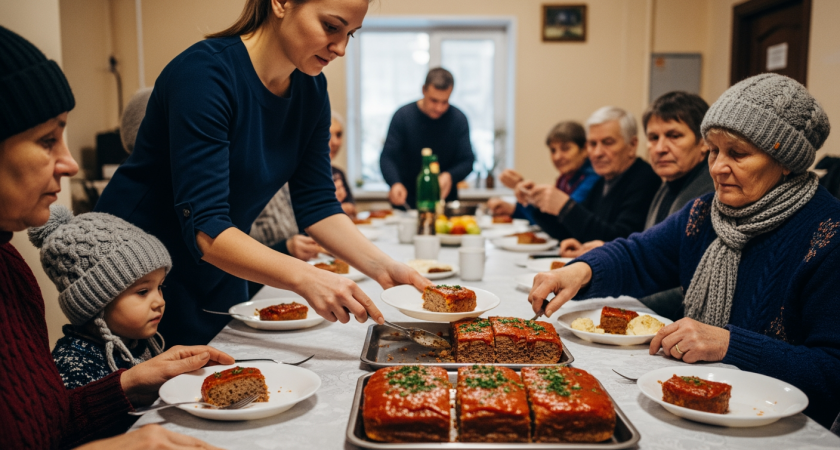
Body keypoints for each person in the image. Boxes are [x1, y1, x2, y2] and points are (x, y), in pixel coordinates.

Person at [95, 0, 429, 346]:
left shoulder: (312, 89)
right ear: (281, 3)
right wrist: (306, 277)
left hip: (222, 265)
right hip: (136, 275)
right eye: (331, 27)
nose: (341, 48)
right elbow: (206, 227)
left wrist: (383, 267)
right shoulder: (204, 73)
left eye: (351, 34)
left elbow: (318, 205)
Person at [528, 74, 839, 429]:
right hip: (700, 406)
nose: (718, 167)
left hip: (781, 427)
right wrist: (579, 270)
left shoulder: (828, 234)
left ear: (787, 161)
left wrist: (729, 343)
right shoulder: (705, 212)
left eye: (737, 153)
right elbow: (638, 255)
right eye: (714, 150)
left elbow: (832, 371)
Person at [0, 25, 228, 449]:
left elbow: (45, 423)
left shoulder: (9, 266)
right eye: (47, 140)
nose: (70, 163)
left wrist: (131, 382)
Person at [560, 92, 715, 321]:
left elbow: (695, 288)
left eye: (674, 136)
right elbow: (652, 256)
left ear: (703, 142)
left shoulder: (710, 194)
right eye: (653, 138)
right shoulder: (668, 183)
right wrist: (604, 251)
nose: (660, 148)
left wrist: (627, 306)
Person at [35, 206, 169, 389]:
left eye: (160, 287)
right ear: (96, 302)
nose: (160, 301)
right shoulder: (73, 366)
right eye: (143, 292)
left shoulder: (136, 341)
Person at [520, 107, 661, 243]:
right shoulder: (602, 181)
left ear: (632, 145)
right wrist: (536, 201)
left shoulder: (645, 179)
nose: (597, 153)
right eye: (592, 144)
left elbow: (621, 240)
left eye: (608, 143)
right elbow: (570, 232)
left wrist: (565, 207)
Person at [379, 67, 475, 209]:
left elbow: (467, 160)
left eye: (445, 102)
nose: (439, 108)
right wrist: (395, 183)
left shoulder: (459, 119)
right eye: (434, 101)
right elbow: (388, 157)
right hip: (406, 204)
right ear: (424, 90)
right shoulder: (403, 116)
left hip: (444, 205)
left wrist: (450, 176)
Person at [487, 121, 600, 223]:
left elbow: (560, 221)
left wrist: (526, 191)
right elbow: (546, 220)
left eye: (565, 148)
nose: (557, 157)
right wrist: (512, 209)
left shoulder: (593, 178)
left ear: (585, 150)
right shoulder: (564, 179)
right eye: (553, 150)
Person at [329, 110, 356, 216]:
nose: (335, 142)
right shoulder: (302, 175)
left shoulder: (338, 173)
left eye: (339, 135)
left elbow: (353, 209)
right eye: (328, 134)